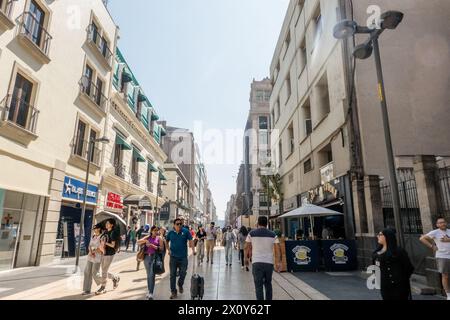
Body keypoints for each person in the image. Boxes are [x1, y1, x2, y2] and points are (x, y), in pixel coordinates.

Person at [245, 216, 282, 301]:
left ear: (258, 223)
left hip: (256, 263)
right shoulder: (273, 234)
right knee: (268, 284)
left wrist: (246, 259)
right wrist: (278, 262)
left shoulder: (251, 233)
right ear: (267, 224)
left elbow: (246, 247)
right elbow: (277, 248)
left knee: (258, 285)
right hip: (269, 263)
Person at [373, 228, 414, 300]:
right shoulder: (376, 253)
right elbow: (375, 269)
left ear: (387, 236)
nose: (377, 236)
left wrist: (401, 279)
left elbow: (409, 267)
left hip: (400, 286)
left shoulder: (399, 251)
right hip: (385, 286)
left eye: (380, 235)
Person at [420, 217, 450, 300]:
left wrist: (448, 240)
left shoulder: (449, 231)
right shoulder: (435, 232)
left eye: (443, 222)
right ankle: (448, 295)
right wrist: (432, 246)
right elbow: (422, 238)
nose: (442, 224)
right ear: (437, 225)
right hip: (442, 256)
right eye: (440, 223)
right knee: (445, 276)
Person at [166, 218, 196, 299]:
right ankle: (173, 292)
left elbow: (191, 240)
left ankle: (180, 284)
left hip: (183, 257)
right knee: (172, 275)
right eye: (177, 224)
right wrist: (168, 250)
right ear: (174, 225)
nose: (179, 225)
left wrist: (193, 250)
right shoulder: (171, 233)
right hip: (173, 258)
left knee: (183, 272)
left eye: (180, 224)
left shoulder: (185, 231)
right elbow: (166, 241)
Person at [96, 219, 121, 295]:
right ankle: (115, 278)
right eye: (106, 223)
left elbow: (113, 245)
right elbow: (101, 240)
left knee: (104, 271)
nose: (106, 224)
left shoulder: (113, 233)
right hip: (103, 252)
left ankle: (103, 287)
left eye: (108, 223)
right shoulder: (105, 232)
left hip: (109, 253)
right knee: (104, 270)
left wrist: (105, 243)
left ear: (112, 225)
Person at [138, 226, 163, 300]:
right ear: (151, 231)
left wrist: (153, 246)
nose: (156, 232)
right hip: (146, 257)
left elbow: (161, 248)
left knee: (152, 275)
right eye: (154, 230)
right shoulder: (147, 237)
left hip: (154, 258)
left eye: (157, 230)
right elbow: (138, 241)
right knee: (148, 275)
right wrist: (145, 241)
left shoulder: (159, 238)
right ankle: (149, 291)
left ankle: (151, 293)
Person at [82, 224, 105, 295]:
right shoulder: (93, 236)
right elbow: (89, 245)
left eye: (95, 228)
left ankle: (104, 282)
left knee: (95, 273)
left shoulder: (102, 237)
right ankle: (87, 290)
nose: (94, 230)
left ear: (99, 229)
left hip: (97, 257)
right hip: (90, 256)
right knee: (87, 272)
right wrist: (91, 251)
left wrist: (94, 251)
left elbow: (102, 248)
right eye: (94, 229)